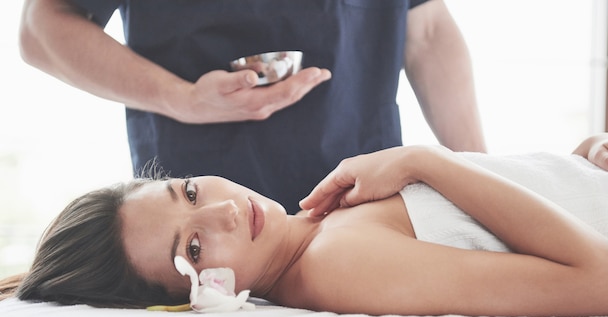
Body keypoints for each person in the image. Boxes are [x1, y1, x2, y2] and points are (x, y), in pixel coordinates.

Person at [1, 133, 608, 317]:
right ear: (198, 295)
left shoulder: (321, 226)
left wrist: (576, 162)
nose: (219, 209)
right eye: (192, 245)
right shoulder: (335, 265)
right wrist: (421, 159)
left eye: (188, 190)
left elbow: (503, 219)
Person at [18, 0, 486, 214]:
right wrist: (181, 99)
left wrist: (482, 182)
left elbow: (425, 30)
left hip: (363, 209)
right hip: (206, 229)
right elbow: (41, 27)